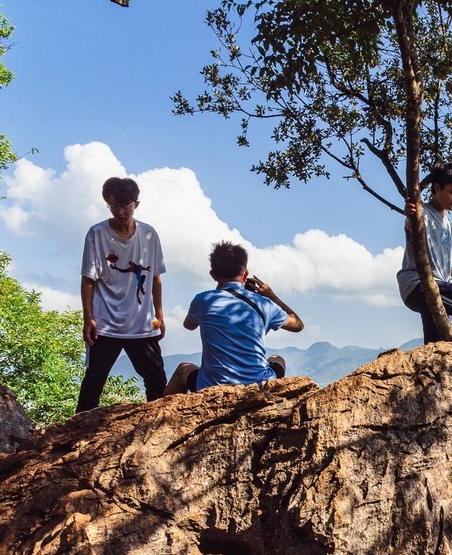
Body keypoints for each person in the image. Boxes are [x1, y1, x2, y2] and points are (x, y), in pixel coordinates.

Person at [76, 177, 167, 413]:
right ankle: (76, 439)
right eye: (113, 205)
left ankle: (154, 427)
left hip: (142, 323)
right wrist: (88, 318)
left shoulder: (149, 234)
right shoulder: (97, 234)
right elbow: (88, 279)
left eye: (125, 205)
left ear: (136, 204)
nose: (119, 211)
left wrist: (159, 314)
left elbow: (156, 277)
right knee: (93, 383)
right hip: (106, 323)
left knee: (157, 380)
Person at [165, 241, 304, 394]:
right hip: (258, 386)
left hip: (212, 387)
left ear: (212, 275)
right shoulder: (264, 304)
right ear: (245, 274)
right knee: (278, 359)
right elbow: (298, 325)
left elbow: (189, 325)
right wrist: (271, 296)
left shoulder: (203, 300)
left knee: (182, 369)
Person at [396, 162, 452, 365]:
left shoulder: (447, 222)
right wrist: (410, 212)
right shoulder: (421, 213)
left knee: (435, 344)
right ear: (436, 188)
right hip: (417, 284)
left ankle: (434, 375)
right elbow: (411, 222)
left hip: (438, 285)